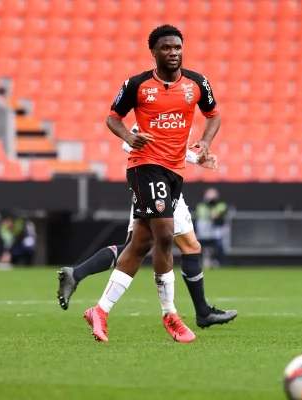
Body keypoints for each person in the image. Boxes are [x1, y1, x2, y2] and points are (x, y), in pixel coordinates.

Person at [83, 24, 221, 342]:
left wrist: (205, 142)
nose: (173, 52)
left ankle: (99, 311)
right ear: (154, 52)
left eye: (177, 47)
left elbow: (213, 115)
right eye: (166, 48)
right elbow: (113, 117)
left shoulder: (197, 83)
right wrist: (128, 136)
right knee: (166, 234)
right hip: (144, 166)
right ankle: (170, 314)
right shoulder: (137, 85)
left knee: (141, 244)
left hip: (175, 171)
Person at [57, 124, 237, 329]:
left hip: (166, 183)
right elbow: (129, 143)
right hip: (154, 184)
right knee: (144, 248)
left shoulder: (182, 113)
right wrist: (172, 161)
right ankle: (190, 313)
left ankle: (78, 277)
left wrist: (194, 158)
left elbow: (173, 149)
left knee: (154, 247)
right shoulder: (157, 108)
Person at [196, 188, 228, 267]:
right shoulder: (200, 206)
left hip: (215, 233)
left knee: (220, 246)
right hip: (203, 233)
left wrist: (212, 206)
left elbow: (216, 215)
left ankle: (220, 263)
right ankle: (199, 263)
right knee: (195, 247)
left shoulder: (221, 205)